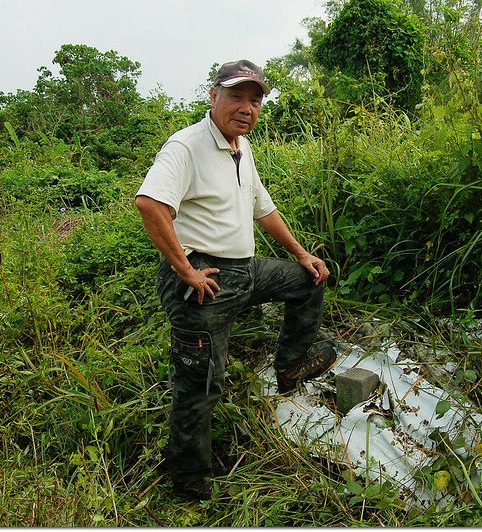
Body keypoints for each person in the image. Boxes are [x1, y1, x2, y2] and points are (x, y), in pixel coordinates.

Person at [135, 59, 336, 501]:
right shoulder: (186, 146)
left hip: (245, 270)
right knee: (202, 381)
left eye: (255, 99)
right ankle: (187, 479)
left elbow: (263, 210)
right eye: (236, 96)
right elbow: (151, 204)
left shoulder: (241, 148)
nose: (246, 107)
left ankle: (289, 367)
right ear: (213, 97)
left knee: (308, 280)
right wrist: (184, 269)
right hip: (203, 278)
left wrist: (302, 254)